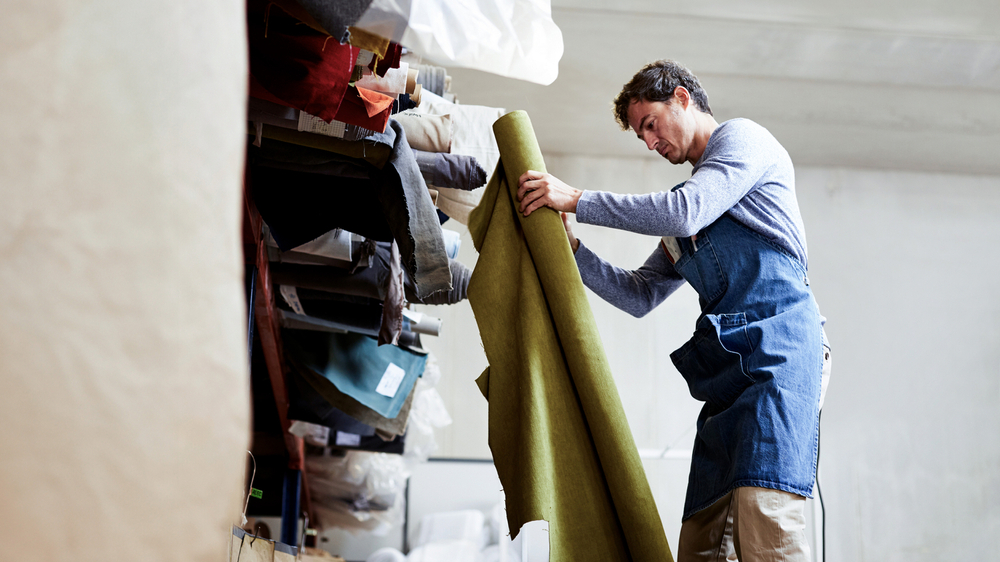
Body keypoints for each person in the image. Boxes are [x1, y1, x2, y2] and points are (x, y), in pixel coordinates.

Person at [516, 60, 831, 562]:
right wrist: (571, 252)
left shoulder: (742, 142)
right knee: (703, 540)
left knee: (765, 515)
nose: (649, 142)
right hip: (733, 373)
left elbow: (685, 209)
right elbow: (638, 295)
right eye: (641, 135)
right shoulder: (686, 223)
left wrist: (575, 199)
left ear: (682, 98)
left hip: (780, 357)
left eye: (650, 124)